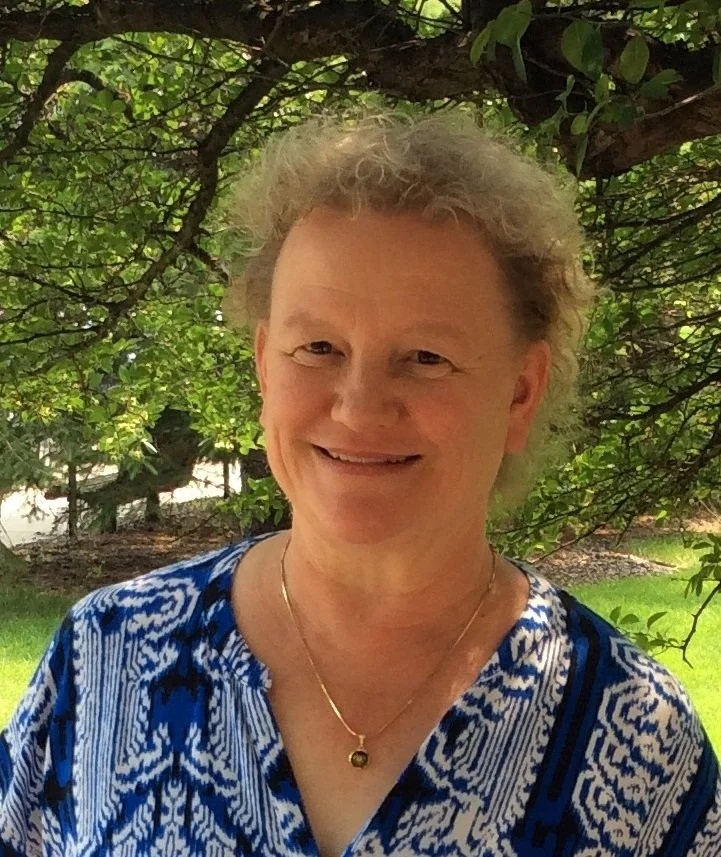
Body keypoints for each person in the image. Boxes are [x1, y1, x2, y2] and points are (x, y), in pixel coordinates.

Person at [1, 109, 719, 857]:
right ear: (265, 366)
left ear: (519, 393)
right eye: (317, 346)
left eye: (426, 357)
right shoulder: (107, 657)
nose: (359, 407)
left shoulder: (636, 736)